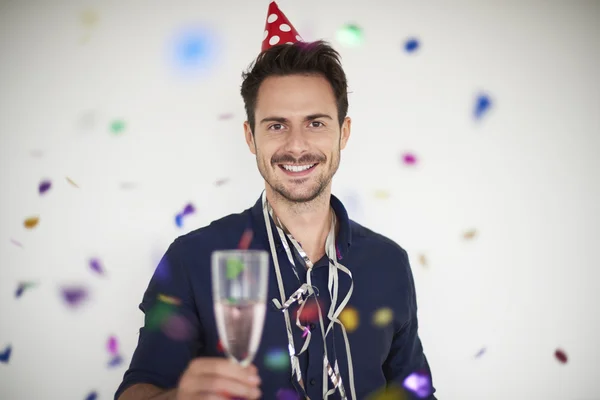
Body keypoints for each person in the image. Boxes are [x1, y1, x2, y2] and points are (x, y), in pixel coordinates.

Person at [115, 2, 435, 400]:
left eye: (316, 123)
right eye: (276, 125)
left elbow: (414, 391)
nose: (296, 146)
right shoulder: (192, 258)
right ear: (251, 137)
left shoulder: (390, 263)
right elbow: (136, 391)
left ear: (344, 133)